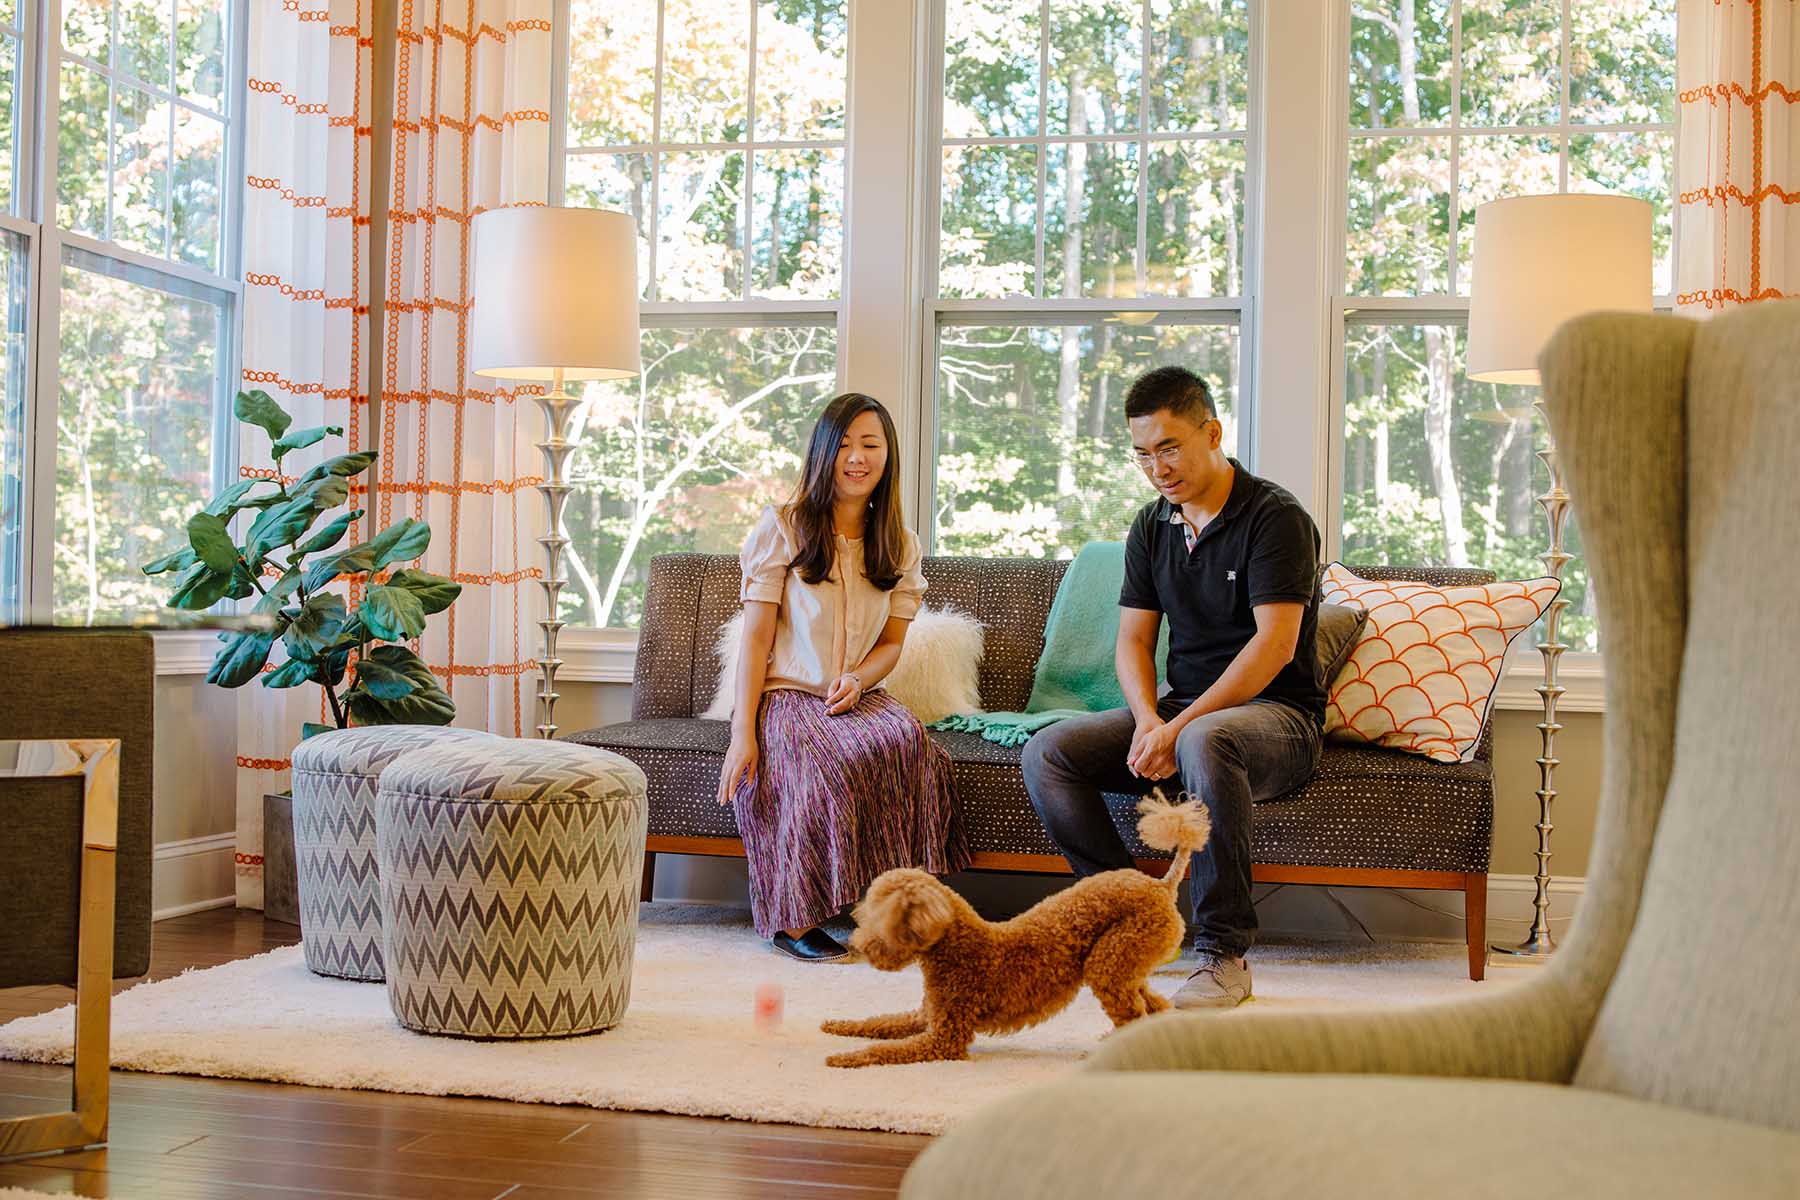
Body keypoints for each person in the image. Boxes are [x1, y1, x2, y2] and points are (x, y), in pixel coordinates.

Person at [1021, 365, 1324, 1008]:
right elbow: (1132, 641)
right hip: (1184, 716)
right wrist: (1148, 721)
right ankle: (1131, 919)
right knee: (1049, 752)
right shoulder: (1152, 525)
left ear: (1211, 432)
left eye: (1168, 447)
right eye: (1142, 454)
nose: (1157, 467)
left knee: (1206, 742)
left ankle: (1223, 953)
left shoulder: (1276, 518)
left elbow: (1274, 646)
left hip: (1276, 720)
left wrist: (1177, 730)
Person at [718, 392, 971, 961]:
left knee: (910, 746)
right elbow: (757, 639)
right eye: (846, 445)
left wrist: (860, 679)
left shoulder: (900, 545)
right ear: (824, 453)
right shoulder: (781, 528)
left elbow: (892, 645)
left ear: (888, 457)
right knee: (823, 766)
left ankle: (893, 911)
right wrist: (744, 731)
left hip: (858, 693)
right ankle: (792, 916)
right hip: (786, 695)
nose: (857, 458)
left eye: (871, 445)